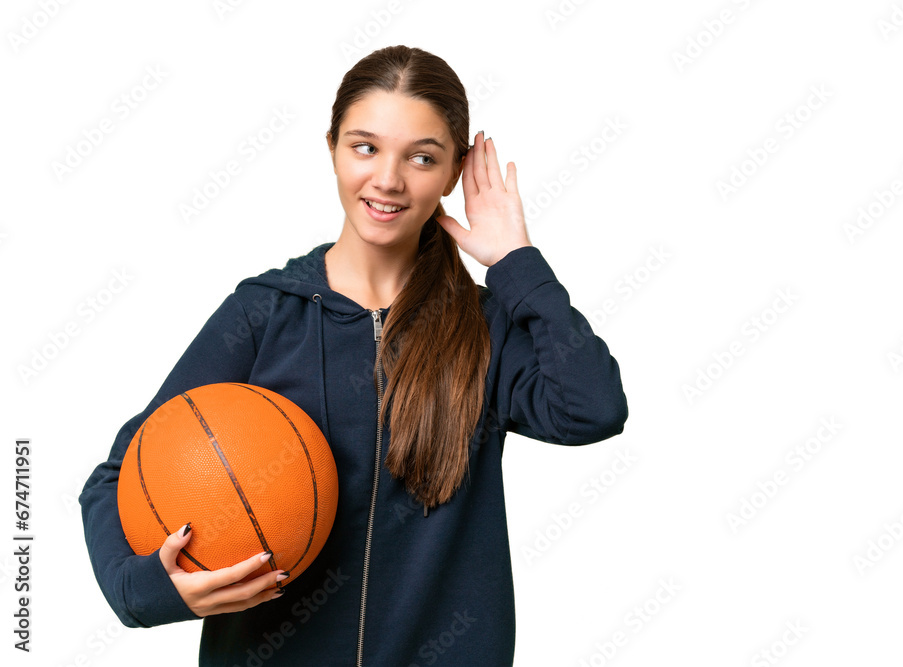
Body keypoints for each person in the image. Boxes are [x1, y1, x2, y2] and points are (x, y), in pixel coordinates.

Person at [80, 44, 628, 666]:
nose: (388, 179)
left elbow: (594, 408)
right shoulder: (264, 313)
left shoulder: (482, 328)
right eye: (364, 147)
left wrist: (515, 264)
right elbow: (119, 474)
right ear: (333, 148)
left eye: (422, 158)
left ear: (453, 174)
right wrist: (150, 590)